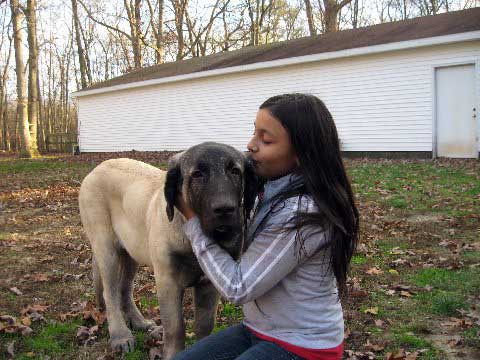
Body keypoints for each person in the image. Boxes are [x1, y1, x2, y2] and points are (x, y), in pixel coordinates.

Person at [173, 93, 359, 360]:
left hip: (305, 346)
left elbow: (237, 287)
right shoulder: (269, 192)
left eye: (266, 139)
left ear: (301, 154)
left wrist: (192, 222)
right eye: (254, 132)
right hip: (259, 329)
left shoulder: (303, 214)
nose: (251, 145)